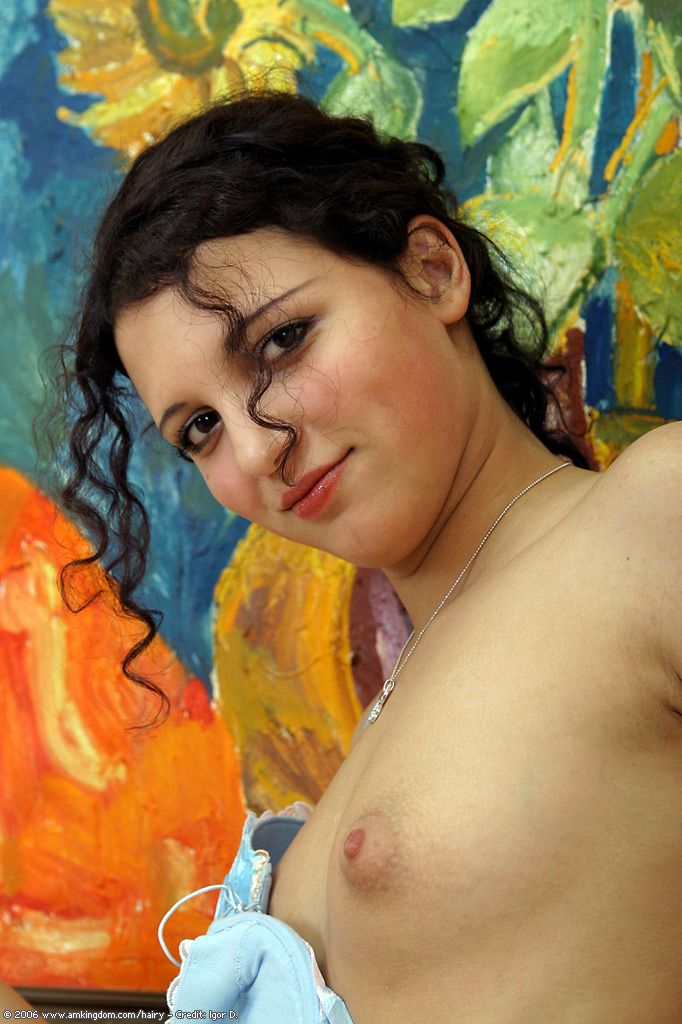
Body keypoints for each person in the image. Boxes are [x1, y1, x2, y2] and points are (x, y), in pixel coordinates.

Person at [6, 92, 682, 1021]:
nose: (255, 451)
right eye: (199, 428)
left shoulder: (650, 517)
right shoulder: (395, 706)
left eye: (281, 341)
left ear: (433, 271)